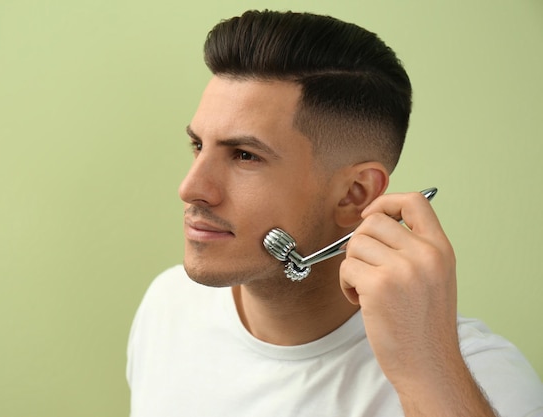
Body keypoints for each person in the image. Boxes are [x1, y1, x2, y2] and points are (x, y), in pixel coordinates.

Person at [127, 10, 543, 417]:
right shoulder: (168, 305)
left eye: (244, 155)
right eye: (198, 145)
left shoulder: (483, 379)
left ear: (353, 194)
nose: (191, 188)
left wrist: (426, 371)